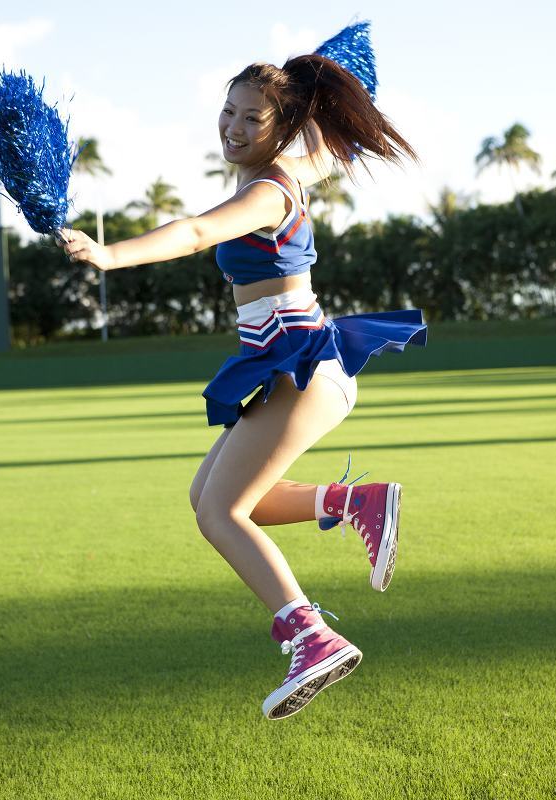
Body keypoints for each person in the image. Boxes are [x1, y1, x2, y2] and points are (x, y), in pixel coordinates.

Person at [60, 53, 427, 720]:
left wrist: (112, 254)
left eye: (251, 117)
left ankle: (311, 636)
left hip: (303, 367)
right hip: (295, 365)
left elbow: (198, 230)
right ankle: (355, 502)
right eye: (227, 111)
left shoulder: (266, 191)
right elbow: (317, 132)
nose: (232, 126)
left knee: (219, 511)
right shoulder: (289, 165)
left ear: (281, 127)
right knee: (217, 498)